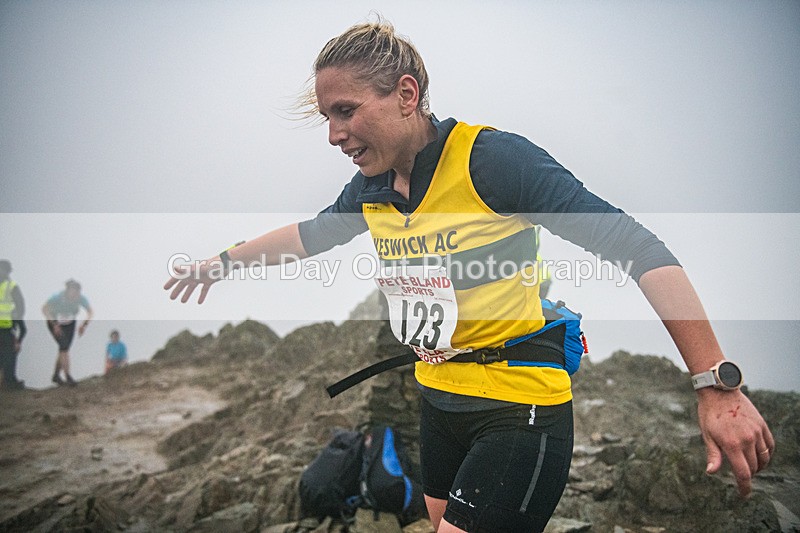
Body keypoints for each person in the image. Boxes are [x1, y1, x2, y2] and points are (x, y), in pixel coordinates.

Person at [164, 19, 774, 533]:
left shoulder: (493, 161)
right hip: (441, 402)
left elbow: (638, 248)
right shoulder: (372, 187)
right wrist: (221, 264)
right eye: (327, 116)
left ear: (407, 94)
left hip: (518, 409)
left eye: (345, 111)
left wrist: (714, 382)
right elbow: (311, 235)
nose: (333, 134)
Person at [42, 279, 93, 387]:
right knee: (64, 347)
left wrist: (84, 325)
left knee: (63, 349)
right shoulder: (58, 297)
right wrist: (54, 324)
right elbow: (44, 308)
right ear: (68, 290)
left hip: (70, 324)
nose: (75, 295)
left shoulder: (80, 298)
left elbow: (90, 311)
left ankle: (56, 375)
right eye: (73, 291)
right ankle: (68, 376)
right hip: (55, 323)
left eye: (77, 292)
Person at [0, 260, 27, 391]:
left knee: (9, 354)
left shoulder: (12, 286)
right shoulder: (12, 286)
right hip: (6, 326)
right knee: (8, 355)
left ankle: (9, 381)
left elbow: (20, 306)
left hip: (7, 326)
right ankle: (9, 382)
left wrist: (17, 320)